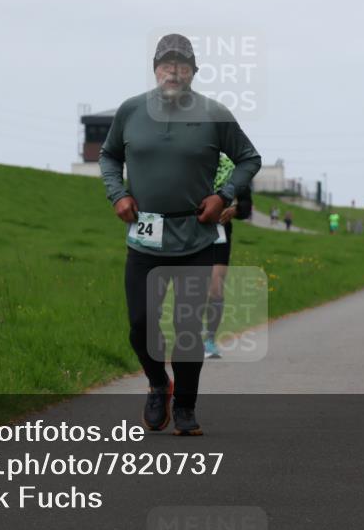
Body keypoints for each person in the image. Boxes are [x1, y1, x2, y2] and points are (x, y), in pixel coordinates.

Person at [100, 33, 261, 436]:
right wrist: (118, 194)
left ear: (193, 72)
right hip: (145, 237)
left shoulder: (214, 114)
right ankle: (159, 385)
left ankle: (186, 406)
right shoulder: (131, 111)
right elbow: (108, 155)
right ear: (155, 69)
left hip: (195, 238)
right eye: (167, 64)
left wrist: (223, 194)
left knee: (187, 328)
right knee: (141, 324)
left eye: (182, 65)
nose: (174, 71)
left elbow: (248, 158)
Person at [203, 153, 254, 359]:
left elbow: (246, 205)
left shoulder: (232, 168)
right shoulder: (192, 161)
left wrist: (234, 210)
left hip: (220, 232)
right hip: (190, 231)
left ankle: (210, 340)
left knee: (216, 287)